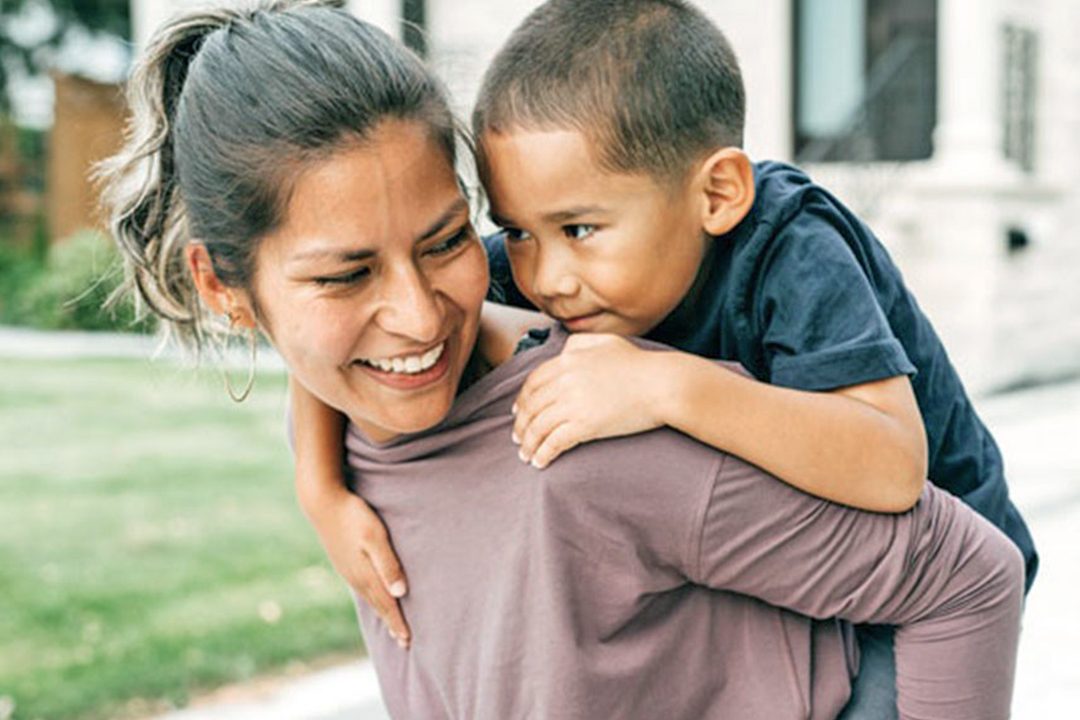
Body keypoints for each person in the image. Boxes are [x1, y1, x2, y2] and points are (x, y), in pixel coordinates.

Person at [99, 2, 1023, 719]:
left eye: (444, 243)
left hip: (924, 531)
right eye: (345, 275)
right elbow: (352, 370)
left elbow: (900, 476)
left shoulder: (788, 250)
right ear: (227, 289)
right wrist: (319, 487)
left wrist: (669, 381)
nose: (425, 312)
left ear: (716, 192)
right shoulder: (541, 266)